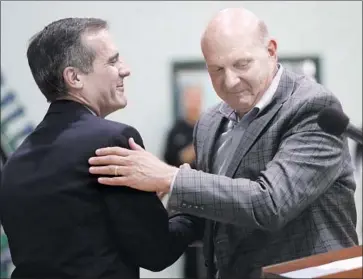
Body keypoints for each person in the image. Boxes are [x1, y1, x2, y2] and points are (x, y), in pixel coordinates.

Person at [88, 7, 359, 279]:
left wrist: (171, 178)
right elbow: (211, 214)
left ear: (271, 51)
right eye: (216, 69)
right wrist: (148, 213)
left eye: (242, 64)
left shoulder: (311, 107)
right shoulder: (209, 123)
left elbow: (271, 204)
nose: (229, 81)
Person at [0, 18, 203, 279]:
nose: (125, 69)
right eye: (112, 61)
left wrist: (149, 203)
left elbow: (81, 234)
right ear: (74, 77)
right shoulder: (112, 141)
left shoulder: (15, 163)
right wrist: (193, 204)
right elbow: (156, 251)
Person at [163, 85, 204, 278]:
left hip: (209, 196)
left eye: (197, 98)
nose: (193, 103)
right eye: (190, 98)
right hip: (186, 201)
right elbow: (168, 162)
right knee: (190, 252)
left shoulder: (209, 126)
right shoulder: (176, 130)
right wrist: (189, 153)